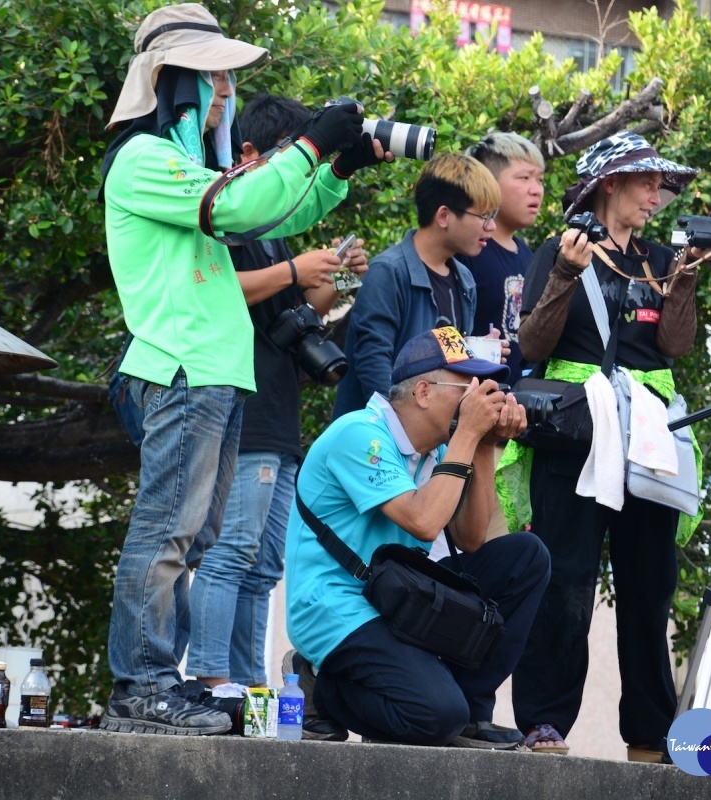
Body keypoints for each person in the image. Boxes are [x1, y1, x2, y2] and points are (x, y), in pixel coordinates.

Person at [99, 3, 388, 736]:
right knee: (165, 532)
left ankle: (163, 680)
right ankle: (142, 687)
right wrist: (313, 141)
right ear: (173, 82)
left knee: (189, 539)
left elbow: (268, 213)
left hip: (214, 373)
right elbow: (248, 204)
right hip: (181, 371)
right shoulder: (143, 161)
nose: (225, 90)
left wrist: (335, 166)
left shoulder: (185, 168)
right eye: (214, 76)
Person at [509, 130, 711, 758]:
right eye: (646, 181)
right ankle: (544, 723)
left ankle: (651, 734)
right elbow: (531, 345)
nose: (657, 195)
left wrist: (685, 277)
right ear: (610, 183)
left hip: (647, 437)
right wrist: (563, 274)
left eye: (661, 183)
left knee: (651, 584)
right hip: (576, 435)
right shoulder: (564, 248)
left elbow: (675, 347)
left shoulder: (660, 258)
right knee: (566, 581)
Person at [284, 326, 550, 748]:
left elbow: (472, 538)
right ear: (424, 391)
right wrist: (467, 434)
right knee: (434, 716)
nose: (478, 397)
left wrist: (481, 445)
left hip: (397, 598)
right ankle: (321, 687)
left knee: (525, 556)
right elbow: (424, 522)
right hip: (337, 607)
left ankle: (471, 709)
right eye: (467, 387)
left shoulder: (438, 451)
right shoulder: (360, 435)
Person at [187, 94, 368, 706]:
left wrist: (335, 278)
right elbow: (215, 291)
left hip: (278, 410)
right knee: (230, 548)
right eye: (298, 158)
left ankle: (248, 685)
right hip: (244, 407)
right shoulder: (222, 213)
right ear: (249, 154)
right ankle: (211, 678)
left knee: (264, 565)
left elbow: (290, 323)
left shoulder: (268, 234)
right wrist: (297, 270)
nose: (301, 183)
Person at [332, 153, 504, 419]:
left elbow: (443, 365)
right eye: (483, 216)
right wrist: (401, 434)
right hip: (380, 442)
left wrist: (473, 349)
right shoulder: (388, 271)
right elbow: (374, 365)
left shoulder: (464, 280)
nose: (491, 227)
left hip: (432, 444)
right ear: (444, 216)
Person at [460, 132, 546, 385]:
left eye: (539, 180)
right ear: (488, 183)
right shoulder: (467, 251)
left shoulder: (527, 255)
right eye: (524, 178)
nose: (536, 190)